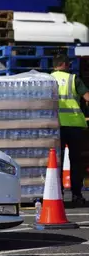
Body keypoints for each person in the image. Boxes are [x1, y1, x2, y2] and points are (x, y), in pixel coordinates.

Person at [51, 53, 89, 206]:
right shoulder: (73, 79)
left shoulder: (48, 80)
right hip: (75, 125)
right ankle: (76, 195)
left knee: (56, 162)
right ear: (66, 65)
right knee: (76, 162)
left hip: (55, 127)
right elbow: (87, 97)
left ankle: (57, 194)